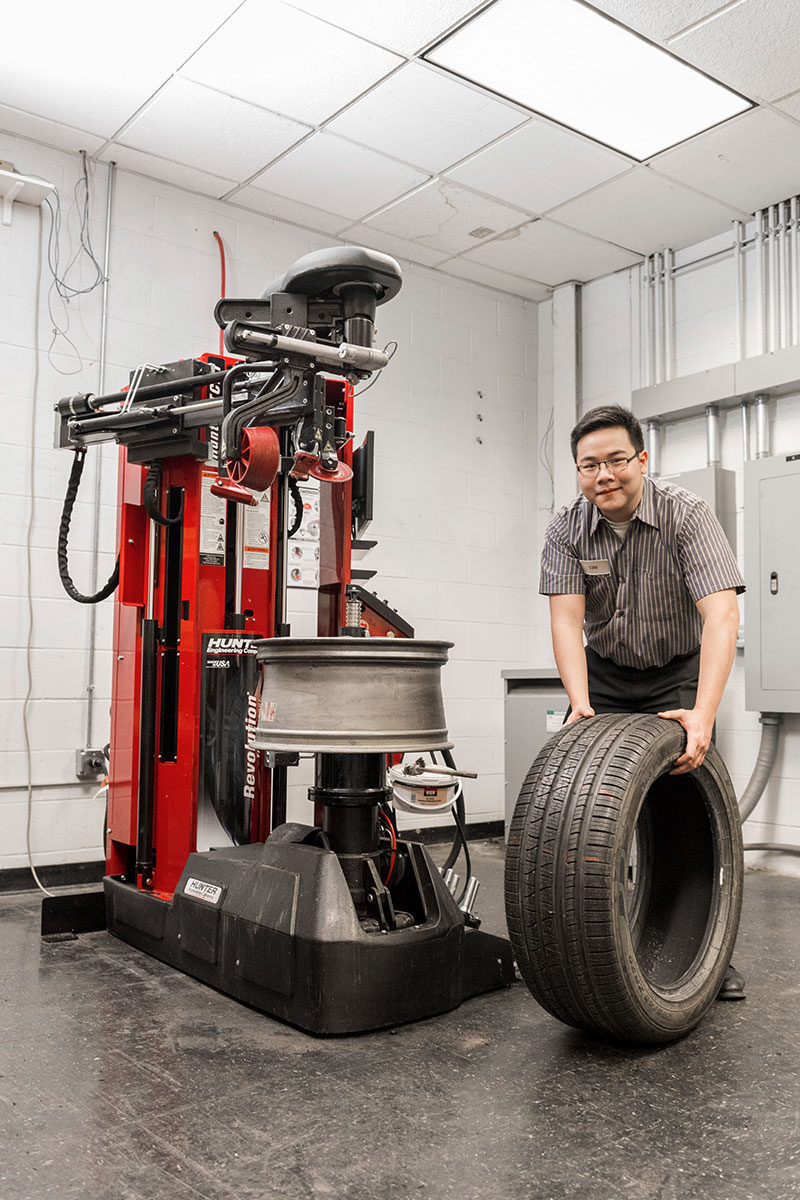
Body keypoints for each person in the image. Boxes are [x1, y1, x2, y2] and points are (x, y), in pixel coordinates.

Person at [540, 404, 746, 1000]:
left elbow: (721, 613)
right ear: (578, 472)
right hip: (605, 669)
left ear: (642, 460)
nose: (603, 475)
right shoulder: (565, 528)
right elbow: (565, 620)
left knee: (684, 810)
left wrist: (703, 712)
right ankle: (585, 947)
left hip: (678, 668)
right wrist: (579, 703)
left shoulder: (688, 515)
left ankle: (707, 956)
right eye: (588, 465)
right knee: (586, 812)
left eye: (616, 460)